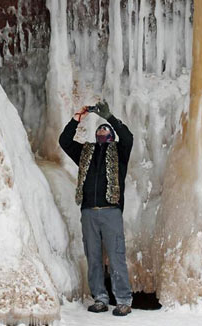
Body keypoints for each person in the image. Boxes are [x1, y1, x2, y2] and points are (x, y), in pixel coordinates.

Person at [59, 100, 134, 317]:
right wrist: (77, 119)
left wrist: (108, 117)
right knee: (93, 256)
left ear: (110, 135)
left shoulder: (120, 151)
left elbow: (128, 137)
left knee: (116, 255)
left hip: (111, 211)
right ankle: (100, 298)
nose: (102, 130)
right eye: (99, 129)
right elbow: (64, 141)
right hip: (89, 211)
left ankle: (123, 300)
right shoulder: (85, 153)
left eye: (105, 129)